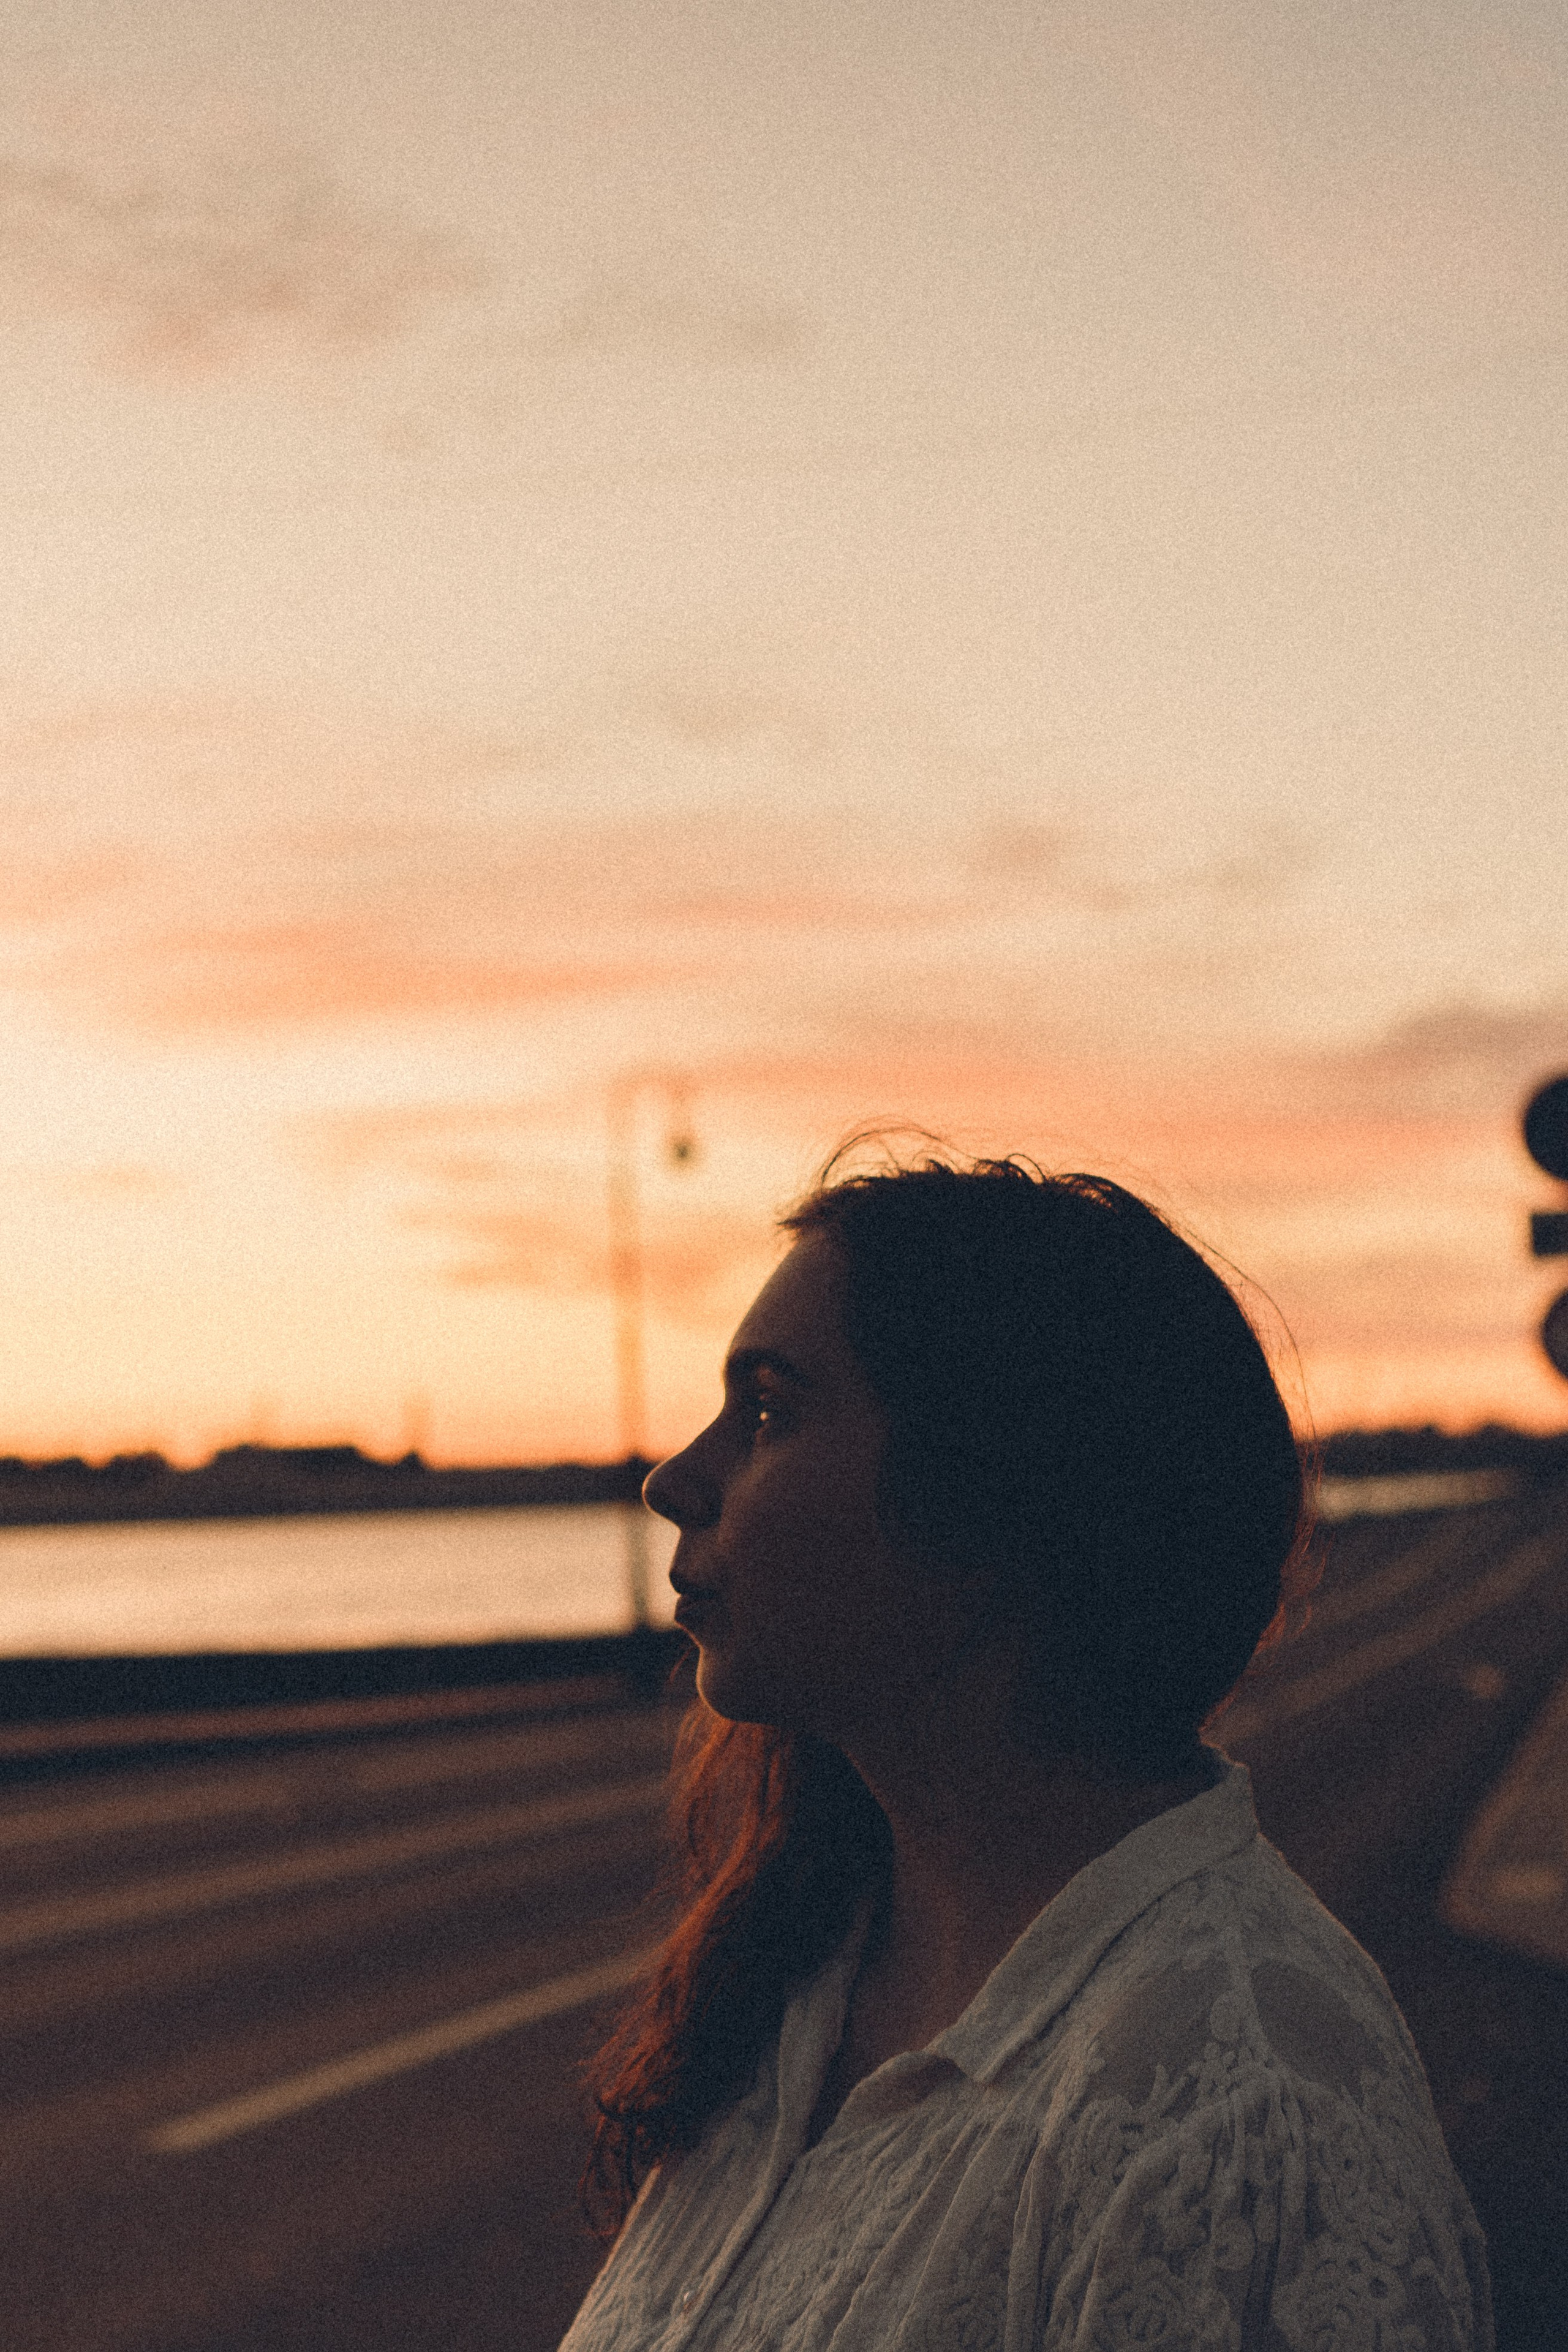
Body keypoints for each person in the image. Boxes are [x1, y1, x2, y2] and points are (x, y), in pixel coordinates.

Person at [561, 1153, 1493, 2351]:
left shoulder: (1244, 2121)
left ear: (991, 1503)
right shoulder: (797, 1987)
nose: (673, 1477)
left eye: (769, 1412)